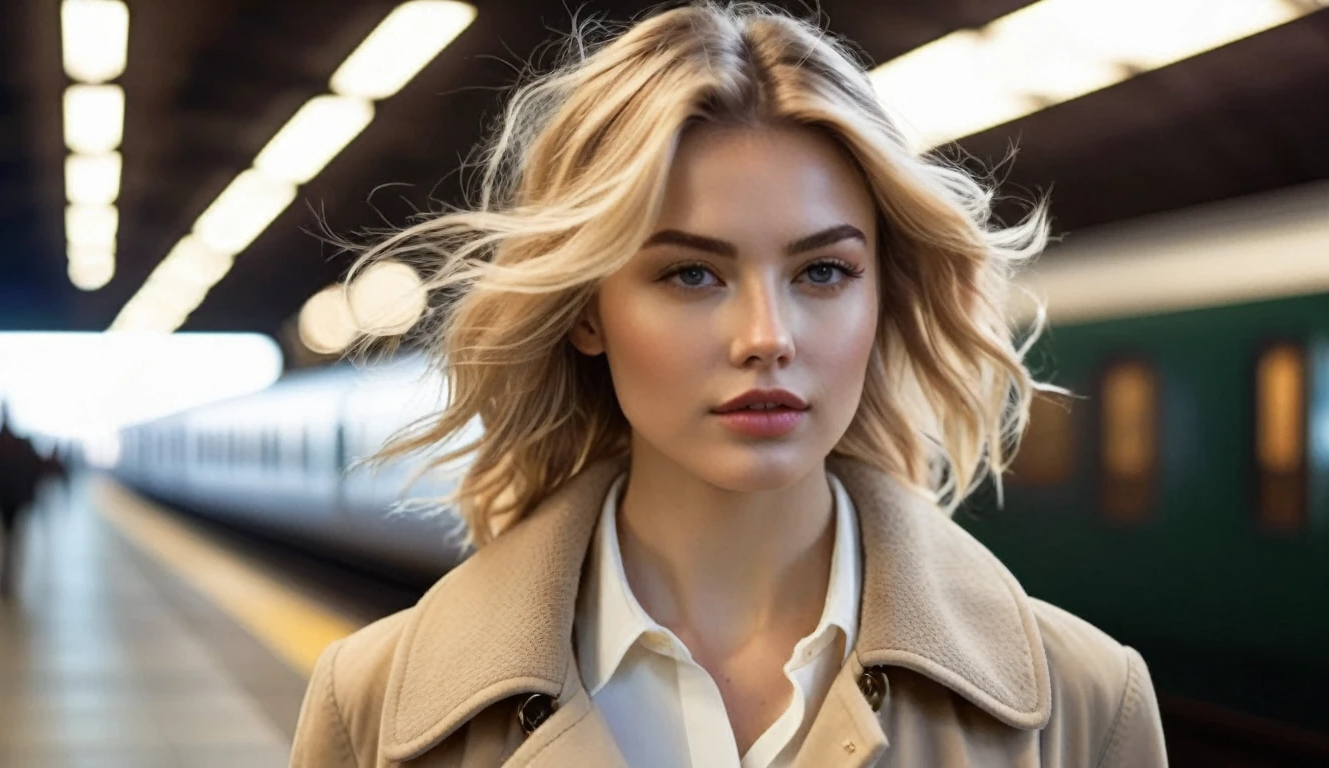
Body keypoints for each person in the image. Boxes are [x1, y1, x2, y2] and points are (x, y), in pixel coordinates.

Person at [290, 3, 1167, 766]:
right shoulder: (372, 706)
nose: (767, 338)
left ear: (881, 300)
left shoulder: (1087, 701)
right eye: (691, 276)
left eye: (823, 272)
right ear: (587, 313)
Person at [0, 403, 46, 600]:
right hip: (17, 502)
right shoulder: (22, 443)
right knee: (13, 543)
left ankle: (2, 583)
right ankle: (9, 582)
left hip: (0, 502)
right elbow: (34, 471)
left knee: (1, 542)